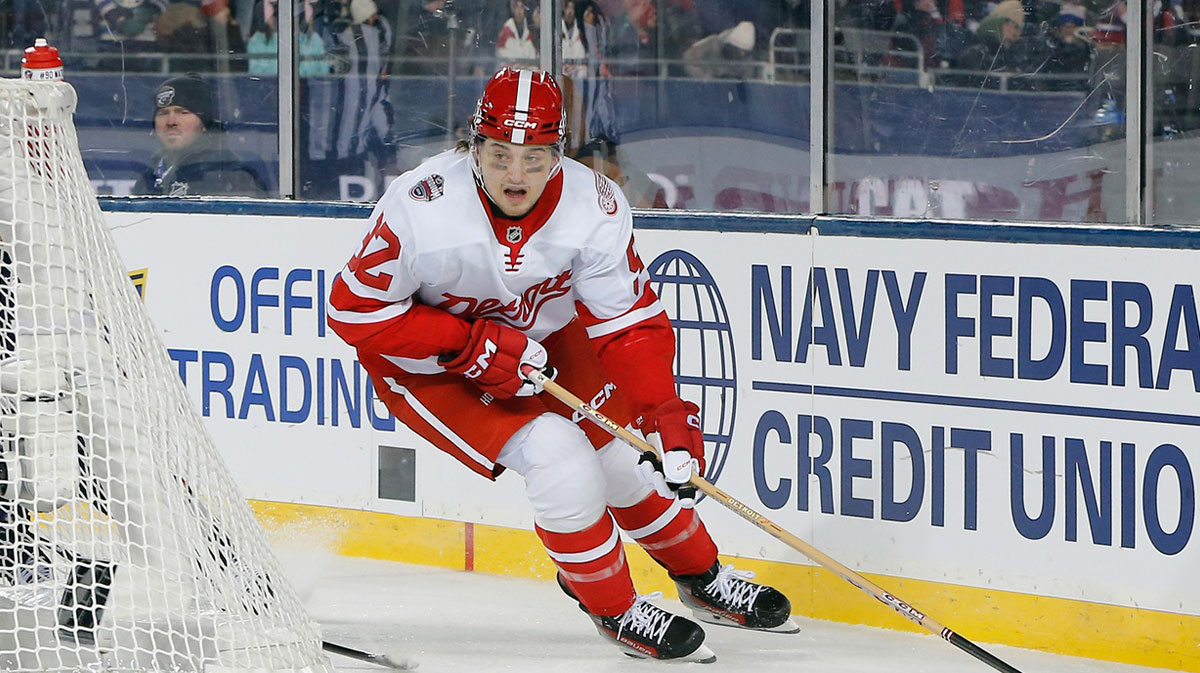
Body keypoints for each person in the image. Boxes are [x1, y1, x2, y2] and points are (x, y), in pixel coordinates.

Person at [327, 68, 797, 662]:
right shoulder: (422, 206)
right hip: (427, 363)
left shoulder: (592, 204)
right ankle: (614, 607)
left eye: (534, 157)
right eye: (499, 156)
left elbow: (627, 323)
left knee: (628, 457)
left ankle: (703, 579)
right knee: (559, 458)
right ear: (474, 146)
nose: (515, 177)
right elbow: (352, 314)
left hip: (543, 337)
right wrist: (466, 343)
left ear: (559, 152)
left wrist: (665, 411)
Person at [133, 73, 268, 196]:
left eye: (183, 112)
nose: (171, 122)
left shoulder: (231, 175)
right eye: (163, 113)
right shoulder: (149, 177)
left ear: (203, 124)